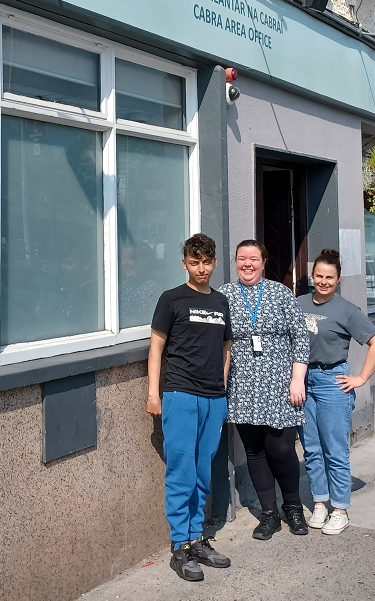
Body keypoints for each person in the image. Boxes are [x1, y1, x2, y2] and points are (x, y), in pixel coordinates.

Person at [147, 233, 232, 582]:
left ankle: (196, 539)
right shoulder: (172, 300)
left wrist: (223, 383)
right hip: (180, 394)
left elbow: (226, 346)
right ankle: (179, 546)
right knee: (181, 471)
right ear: (184, 263)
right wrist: (154, 393)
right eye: (194, 261)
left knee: (203, 471)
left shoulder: (221, 301)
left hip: (214, 397)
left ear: (214, 263)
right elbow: (156, 350)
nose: (201, 268)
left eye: (206, 261)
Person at [218, 239, 310, 540]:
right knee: (254, 450)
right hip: (242, 385)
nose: (247, 263)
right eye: (241, 258)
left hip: (280, 383)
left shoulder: (281, 293)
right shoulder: (225, 295)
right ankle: (269, 513)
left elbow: (301, 337)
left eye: (253, 258)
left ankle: (293, 507)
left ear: (263, 261)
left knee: (282, 449)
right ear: (235, 262)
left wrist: (297, 379)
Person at [297, 249, 375, 535]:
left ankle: (340, 509)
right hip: (303, 380)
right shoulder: (297, 304)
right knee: (311, 449)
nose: (323, 282)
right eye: (319, 276)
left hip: (332, 381)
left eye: (329, 278)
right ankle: (320, 503)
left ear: (338, 280)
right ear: (312, 276)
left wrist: (360, 378)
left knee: (334, 450)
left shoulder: (347, 310)